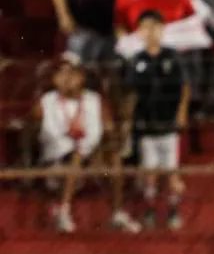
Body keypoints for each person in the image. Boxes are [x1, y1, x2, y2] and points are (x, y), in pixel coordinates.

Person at [30, 53, 136, 235]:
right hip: (57, 160)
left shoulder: (94, 100)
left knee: (114, 159)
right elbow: (48, 136)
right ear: (54, 79)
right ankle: (64, 212)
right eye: (60, 74)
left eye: (71, 73)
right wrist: (80, 149)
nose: (66, 79)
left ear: (81, 77)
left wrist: (98, 148)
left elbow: (104, 130)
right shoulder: (45, 103)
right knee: (76, 155)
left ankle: (118, 213)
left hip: (91, 156)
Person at [121, 11, 190, 231]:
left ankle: (173, 211)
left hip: (168, 124)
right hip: (146, 125)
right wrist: (128, 121)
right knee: (149, 172)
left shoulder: (173, 57)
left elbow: (184, 87)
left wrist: (181, 113)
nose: (150, 32)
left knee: (171, 171)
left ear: (162, 29)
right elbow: (131, 93)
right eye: (145, 27)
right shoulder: (137, 61)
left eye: (155, 27)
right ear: (139, 32)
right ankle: (150, 210)